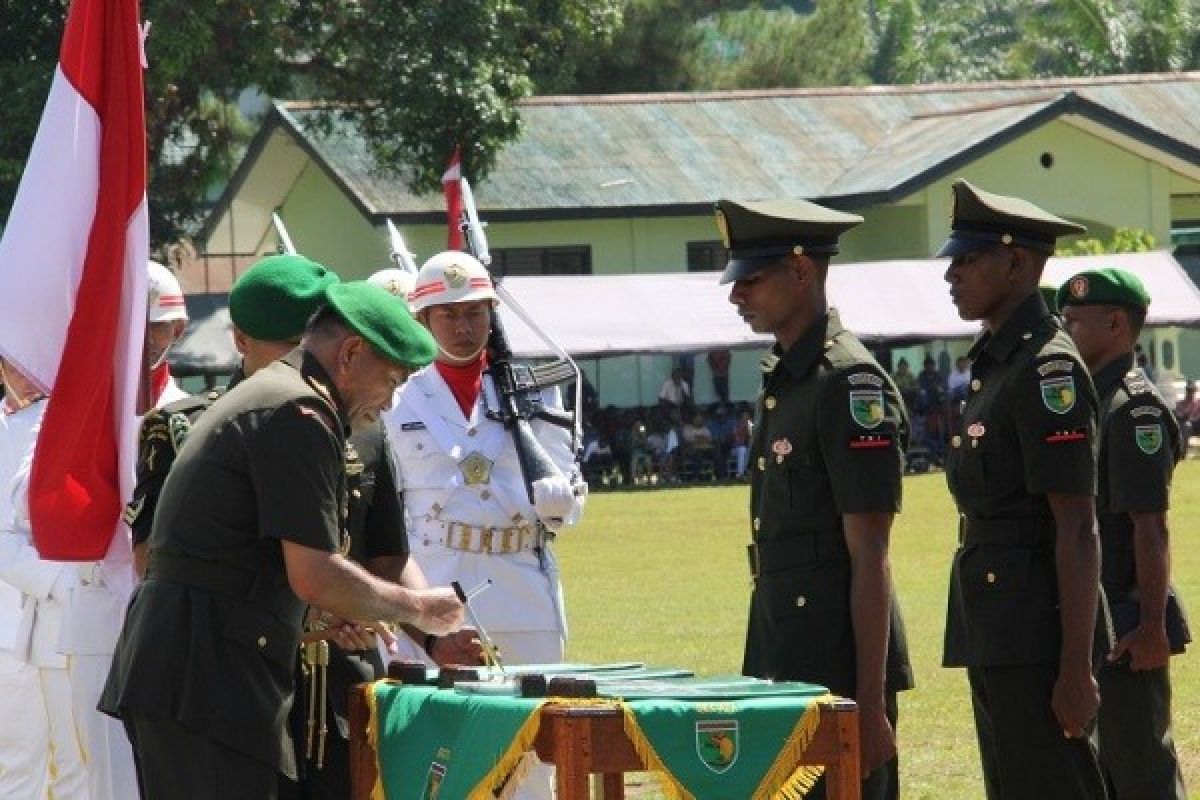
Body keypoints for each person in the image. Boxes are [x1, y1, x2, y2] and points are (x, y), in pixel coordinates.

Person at [100, 282, 466, 799]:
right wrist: (418, 608)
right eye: (391, 380)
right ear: (351, 353)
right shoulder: (298, 413)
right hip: (207, 678)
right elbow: (314, 574)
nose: (389, 402)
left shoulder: (280, 396)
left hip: (202, 668)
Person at [719, 197, 913, 800]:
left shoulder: (847, 382)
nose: (735, 295)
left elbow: (871, 553)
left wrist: (865, 697)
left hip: (837, 661)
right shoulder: (786, 378)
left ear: (802, 272)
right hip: (784, 643)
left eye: (751, 279)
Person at [383, 250, 585, 800]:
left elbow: (568, 487)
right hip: (435, 580)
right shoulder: (396, 398)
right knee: (439, 744)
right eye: (449, 314)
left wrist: (561, 503)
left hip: (521, 578)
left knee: (533, 748)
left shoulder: (535, 389)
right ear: (422, 319)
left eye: (475, 311)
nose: (464, 325)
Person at [938, 179, 1108, 800]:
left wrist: (1075, 668)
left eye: (967, 259)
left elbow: (1077, 527)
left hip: (1038, 630)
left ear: (1016, 262)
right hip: (998, 622)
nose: (951, 274)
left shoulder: (1046, 369)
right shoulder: (1001, 363)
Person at [1058, 268, 1190, 799]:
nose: (1063, 332)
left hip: (1130, 619)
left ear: (1116, 323)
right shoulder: (1094, 400)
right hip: (1101, 610)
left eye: (1073, 321)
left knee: (1140, 769)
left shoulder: (1133, 409)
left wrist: (1154, 625)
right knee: (1103, 771)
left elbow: (1150, 527)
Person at [0, 359, 83, 798]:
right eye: (12, 360)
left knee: (75, 764)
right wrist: (63, 584)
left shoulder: (55, 420)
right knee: (16, 767)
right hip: (10, 632)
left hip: (60, 627)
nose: (23, 371)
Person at [146, 260, 190, 407]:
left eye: (156, 325)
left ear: (178, 330)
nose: (145, 338)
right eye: (136, 329)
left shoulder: (193, 418)